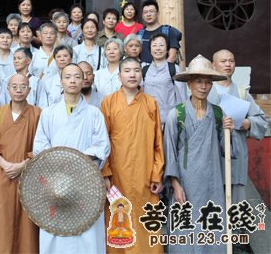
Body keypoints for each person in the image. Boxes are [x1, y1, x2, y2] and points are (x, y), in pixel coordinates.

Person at [33, 63, 110, 254]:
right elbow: (40, 146)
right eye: (68, 77)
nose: (73, 80)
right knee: (55, 233)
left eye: (77, 76)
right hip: (55, 181)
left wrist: (78, 160)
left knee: (87, 234)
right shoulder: (49, 113)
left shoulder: (94, 113)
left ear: (84, 80)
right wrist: (59, 163)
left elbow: (102, 146)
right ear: (61, 81)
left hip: (85, 179)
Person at [164, 55, 236, 254]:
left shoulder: (218, 113)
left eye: (207, 82)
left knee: (211, 225)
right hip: (185, 183)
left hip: (212, 181)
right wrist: (175, 184)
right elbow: (169, 152)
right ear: (189, 84)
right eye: (198, 81)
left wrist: (229, 132)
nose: (203, 86)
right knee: (185, 232)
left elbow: (226, 150)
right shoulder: (176, 114)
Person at [100, 57, 165, 253]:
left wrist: (157, 174)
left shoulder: (150, 103)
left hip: (145, 175)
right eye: (127, 70)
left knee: (147, 220)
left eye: (136, 70)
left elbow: (158, 143)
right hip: (118, 176)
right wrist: (105, 174)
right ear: (119, 75)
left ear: (141, 75)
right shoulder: (108, 102)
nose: (132, 74)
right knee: (119, 221)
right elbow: (103, 143)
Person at [0, 74, 41, 253]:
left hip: (28, 176)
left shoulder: (37, 113)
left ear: (29, 90)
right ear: (7, 89)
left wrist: (22, 165)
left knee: (26, 228)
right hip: (1, 175)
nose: (18, 90)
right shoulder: (0, 112)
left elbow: (42, 144)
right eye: (14, 86)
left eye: (23, 86)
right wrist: (3, 163)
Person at [209, 49, 267, 205]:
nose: (228, 64)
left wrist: (245, 123)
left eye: (231, 61)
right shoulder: (204, 91)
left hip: (235, 155)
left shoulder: (242, 93)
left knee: (235, 207)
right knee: (211, 208)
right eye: (223, 61)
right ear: (213, 65)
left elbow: (262, 121)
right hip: (209, 155)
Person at [142, 33, 187, 126]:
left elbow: (181, 95)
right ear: (150, 50)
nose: (158, 48)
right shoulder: (144, 70)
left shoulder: (174, 69)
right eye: (154, 45)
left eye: (161, 45)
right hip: (148, 120)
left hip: (169, 122)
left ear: (167, 49)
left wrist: (181, 118)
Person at [139, 0, 182, 64]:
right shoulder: (139, 34)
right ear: (142, 15)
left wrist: (160, 71)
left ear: (158, 13)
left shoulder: (169, 31)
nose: (148, 14)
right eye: (145, 12)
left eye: (151, 11)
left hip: (164, 72)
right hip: (144, 72)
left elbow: (172, 56)